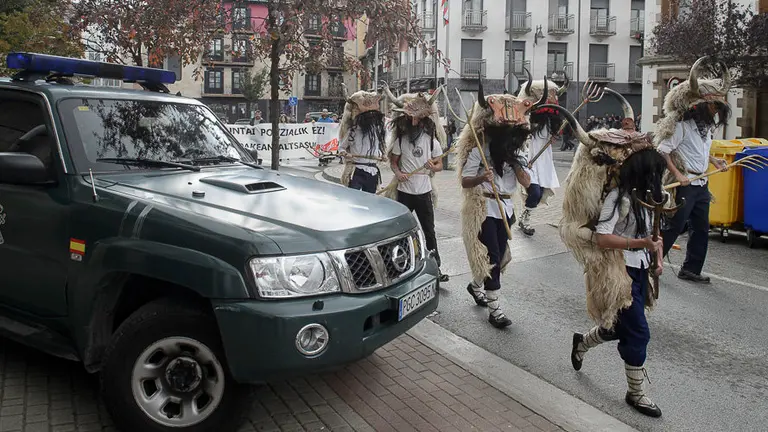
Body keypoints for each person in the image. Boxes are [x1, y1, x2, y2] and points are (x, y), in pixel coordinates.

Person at [569, 148, 666, 418]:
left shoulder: (646, 198)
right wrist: (640, 244)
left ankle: (582, 343)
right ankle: (635, 393)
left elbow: (652, 235)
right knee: (638, 332)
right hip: (617, 274)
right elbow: (602, 239)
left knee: (619, 328)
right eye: (654, 172)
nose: (658, 177)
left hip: (639, 269)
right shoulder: (618, 198)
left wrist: (656, 258)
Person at [452, 78, 546, 328]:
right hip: (483, 209)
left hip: (505, 209)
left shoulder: (518, 154)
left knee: (500, 257)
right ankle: (496, 310)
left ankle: (475, 285)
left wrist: (516, 164)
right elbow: (464, 182)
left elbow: (527, 183)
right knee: (492, 254)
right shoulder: (479, 151)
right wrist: (482, 177)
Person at [655, 56, 731, 283]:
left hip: (701, 186)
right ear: (699, 106)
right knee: (674, 226)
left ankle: (691, 269)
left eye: (717, 106)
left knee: (701, 228)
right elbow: (662, 150)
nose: (715, 110)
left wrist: (715, 161)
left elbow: (700, 150)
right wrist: (678, 175)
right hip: (685, 185)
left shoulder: (706, 129)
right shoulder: (681, 126)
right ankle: (651, 264)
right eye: (712, 105)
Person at [383, 86, 449, 282]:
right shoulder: (401, 140)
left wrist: (432, 166)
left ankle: (436, 268)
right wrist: (399, 173)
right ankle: (396, 267)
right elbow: (393, 162)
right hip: (404, 192)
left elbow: (439, 166)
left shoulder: (432, 142)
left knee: (429, 231)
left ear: (423, 120)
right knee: (399, 230)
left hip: (424, 192)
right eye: (409, 118)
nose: (412, 121)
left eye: (416, 118)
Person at [515, 73, 568, 236]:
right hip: (529, 161)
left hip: (543, 161)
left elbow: (551, 132)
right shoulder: (527, 121)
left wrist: (554, 136)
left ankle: (525, 216)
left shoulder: (550, 124)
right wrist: (525, 161)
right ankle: (525, 219)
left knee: (540, 193)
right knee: (535, 192)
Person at [338, 86, 386, 193]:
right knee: (354, 199)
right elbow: (341, 147)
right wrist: (345, 154)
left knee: (370, 200)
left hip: (373, 171)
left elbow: (382, 146)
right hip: (357, 170)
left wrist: (383, 155)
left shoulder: (378, 130)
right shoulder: (353, 130)